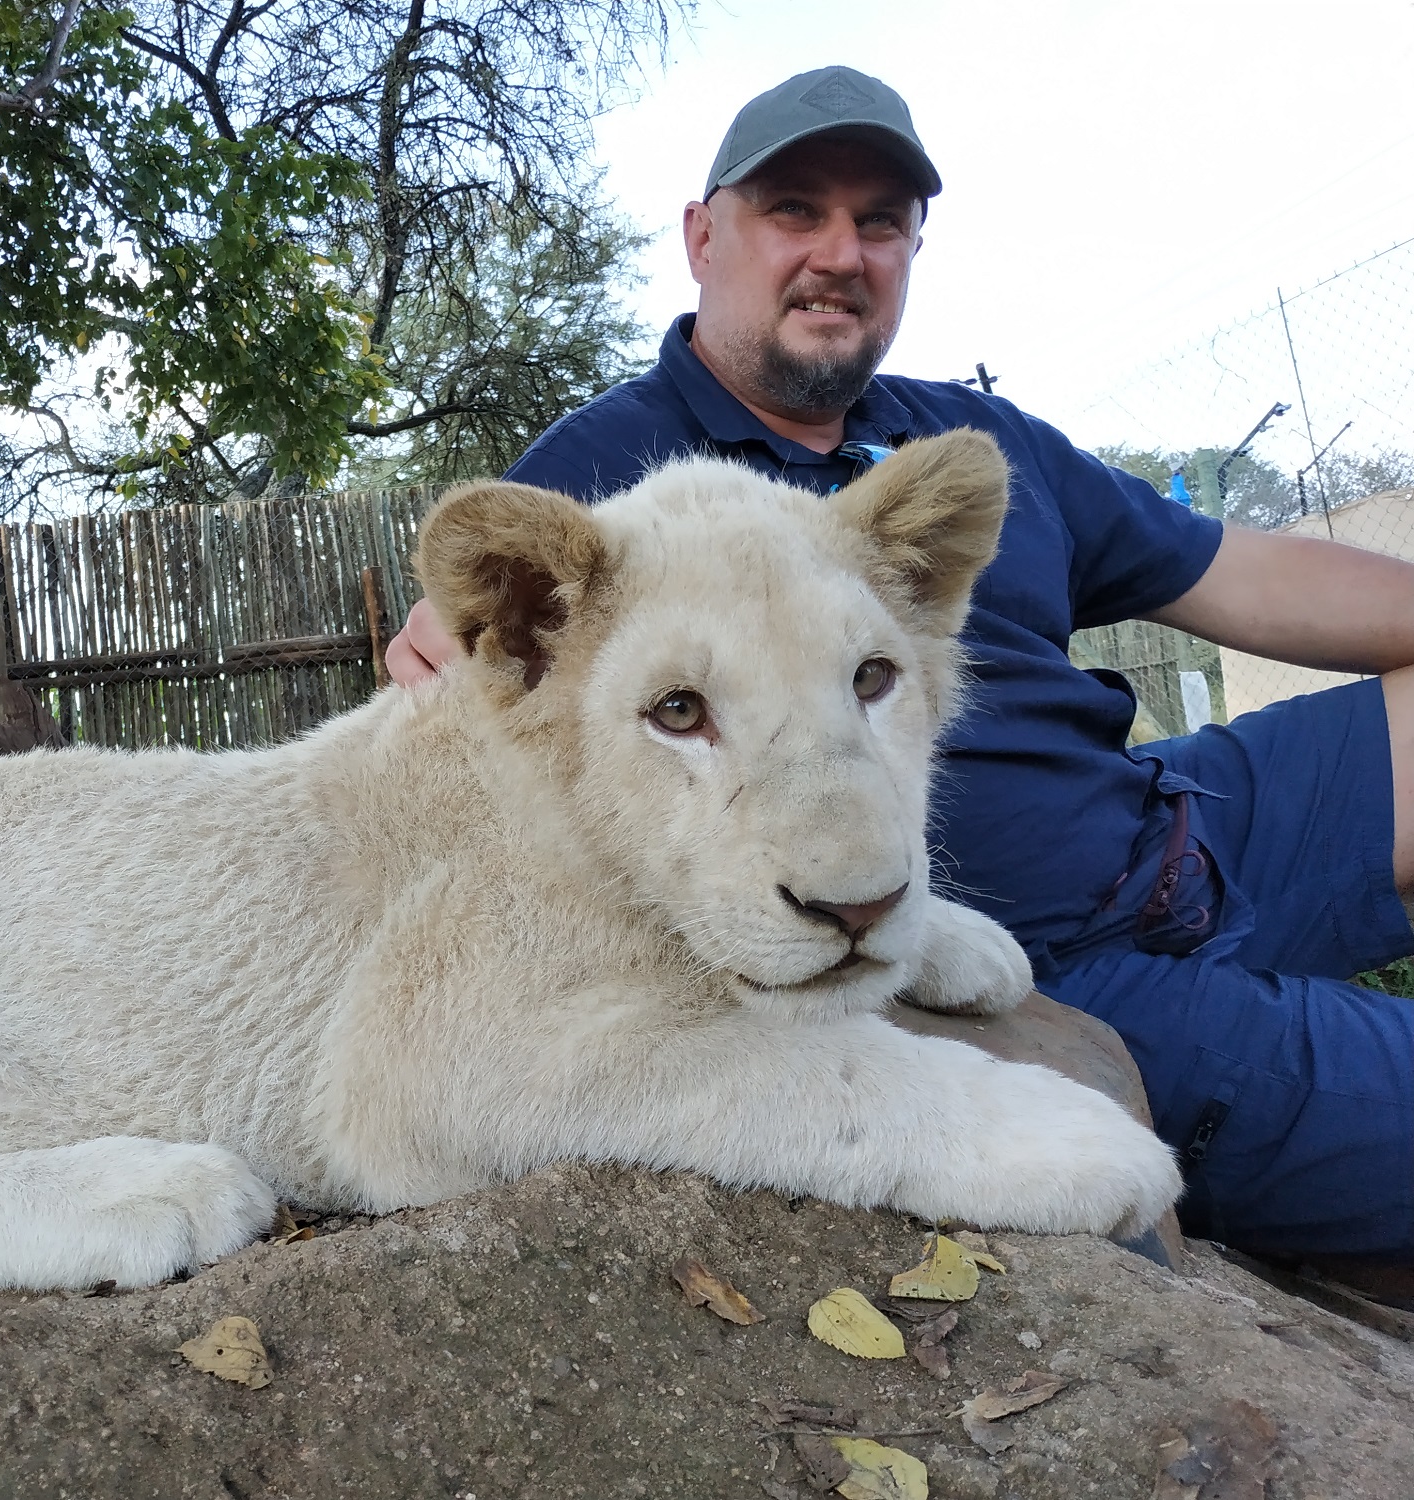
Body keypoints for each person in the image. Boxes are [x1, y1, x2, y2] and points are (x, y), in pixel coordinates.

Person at [385, 65, 1414, 1261]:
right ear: (701, 236)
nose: (841, 250)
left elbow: (1238, 573)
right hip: (1032, 962)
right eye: (794, 211)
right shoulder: (603, 482)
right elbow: (489, 700)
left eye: (879, 221)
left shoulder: (961, 439)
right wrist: (454, 662)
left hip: (1191, 815)